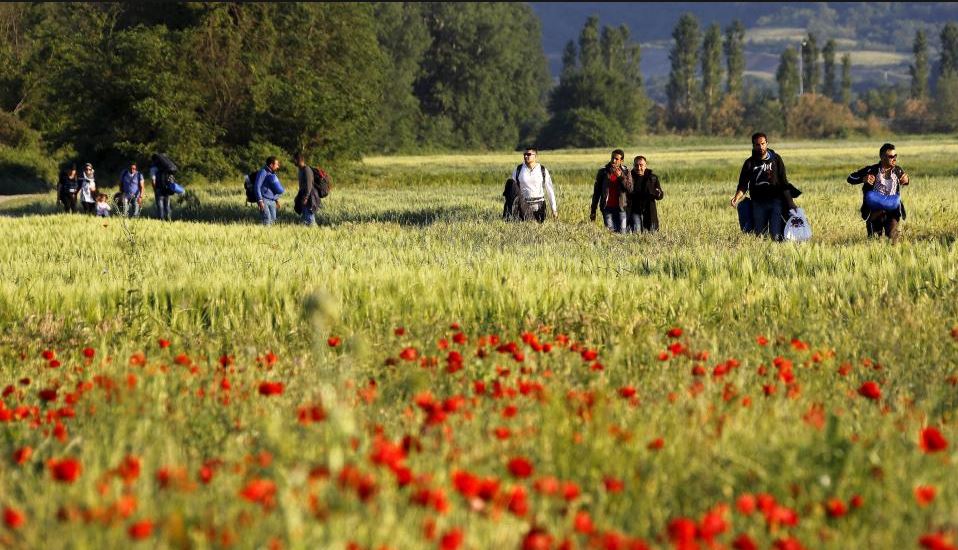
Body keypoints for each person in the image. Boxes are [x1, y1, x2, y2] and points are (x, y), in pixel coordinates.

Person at [730, 133, 796, 240]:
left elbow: (784, 182)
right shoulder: (749, 163)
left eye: (762, 144)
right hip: (758, 204)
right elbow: (743, 185)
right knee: (760, 235)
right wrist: (736, 197)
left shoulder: (776, 159)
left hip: (776, 202)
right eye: (757, 144)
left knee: (776, 235)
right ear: (753, 146)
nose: (760, 147)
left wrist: (791, 203)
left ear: (767, 143)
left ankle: (777, 254)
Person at [847, 143, 910, 240]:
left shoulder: (898, 170)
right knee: (874, 240)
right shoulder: (871, 170)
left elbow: (905, 180)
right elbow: (850, 178)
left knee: (893, 238)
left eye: (895, 156)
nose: (894, 159)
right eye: (891, 156)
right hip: (874, 212)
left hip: (892, 211)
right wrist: (863, 179)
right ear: (882, 157)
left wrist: (906, 180)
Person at [503, 147, 557, 223]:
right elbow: (512, 191)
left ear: (535, 156)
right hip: (523, 204)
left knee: (536, 224)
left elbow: (550, 190)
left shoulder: (542, 170)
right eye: (524, 154)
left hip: (539, 206)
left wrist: (554, 209)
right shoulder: (518, 169)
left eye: (528, 154)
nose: (525, 156)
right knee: (510, 183)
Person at [590, 149, 633, 233]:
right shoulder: (603, 172)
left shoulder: (626, 171)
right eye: (612, 158)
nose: (613, 160)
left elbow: (630, 189)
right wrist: (593, 210)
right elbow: (596, 193)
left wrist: (620, 177)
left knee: (622, 233)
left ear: (621, 161)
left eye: (616, 159)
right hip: (607, 208)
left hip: (622, 208)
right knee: (610, 234)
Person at [628, 155, 663, 233]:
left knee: (652, 233)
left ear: (645, 166)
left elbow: (660, 195)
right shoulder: (629, 178)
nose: (639, 168)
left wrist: (658, 193)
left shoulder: (653, 178)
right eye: (636, 165)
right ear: (633, 166)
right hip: (635, 210)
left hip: (649, 209)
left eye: (641, 165)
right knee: (636, 233)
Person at [253, 156, 285, 226]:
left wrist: (276, 200)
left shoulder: (272, 174)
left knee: (273, 220)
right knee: (267, 220)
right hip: (264, 200)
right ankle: (265, 235)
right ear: (271, 165)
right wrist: (260, 201)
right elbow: (257, 186)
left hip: (272, 201)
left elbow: (273, 188)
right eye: (276, 164)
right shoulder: (263, 172)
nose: (278, 167)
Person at [293, 153, 321, 226]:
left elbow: (309, 185)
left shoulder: (307, 169)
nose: (294, 162)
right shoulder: (300, 170)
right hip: (304, 196)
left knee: (309, 218)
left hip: (310, 197)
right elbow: (302, 186)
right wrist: (298, 196)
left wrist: (306, 197)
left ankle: (314, 231)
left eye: (295, 160)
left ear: (299, 160)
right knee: (305, 218)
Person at [149, 154, 173, 221]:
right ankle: (169, 219)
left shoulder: (153, 168)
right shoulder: (167, 167)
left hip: (159, 189)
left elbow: (153, 181)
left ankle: (161, 220)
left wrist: (155, 190)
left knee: (160, 206)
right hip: (167, 189)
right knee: (167, 206)